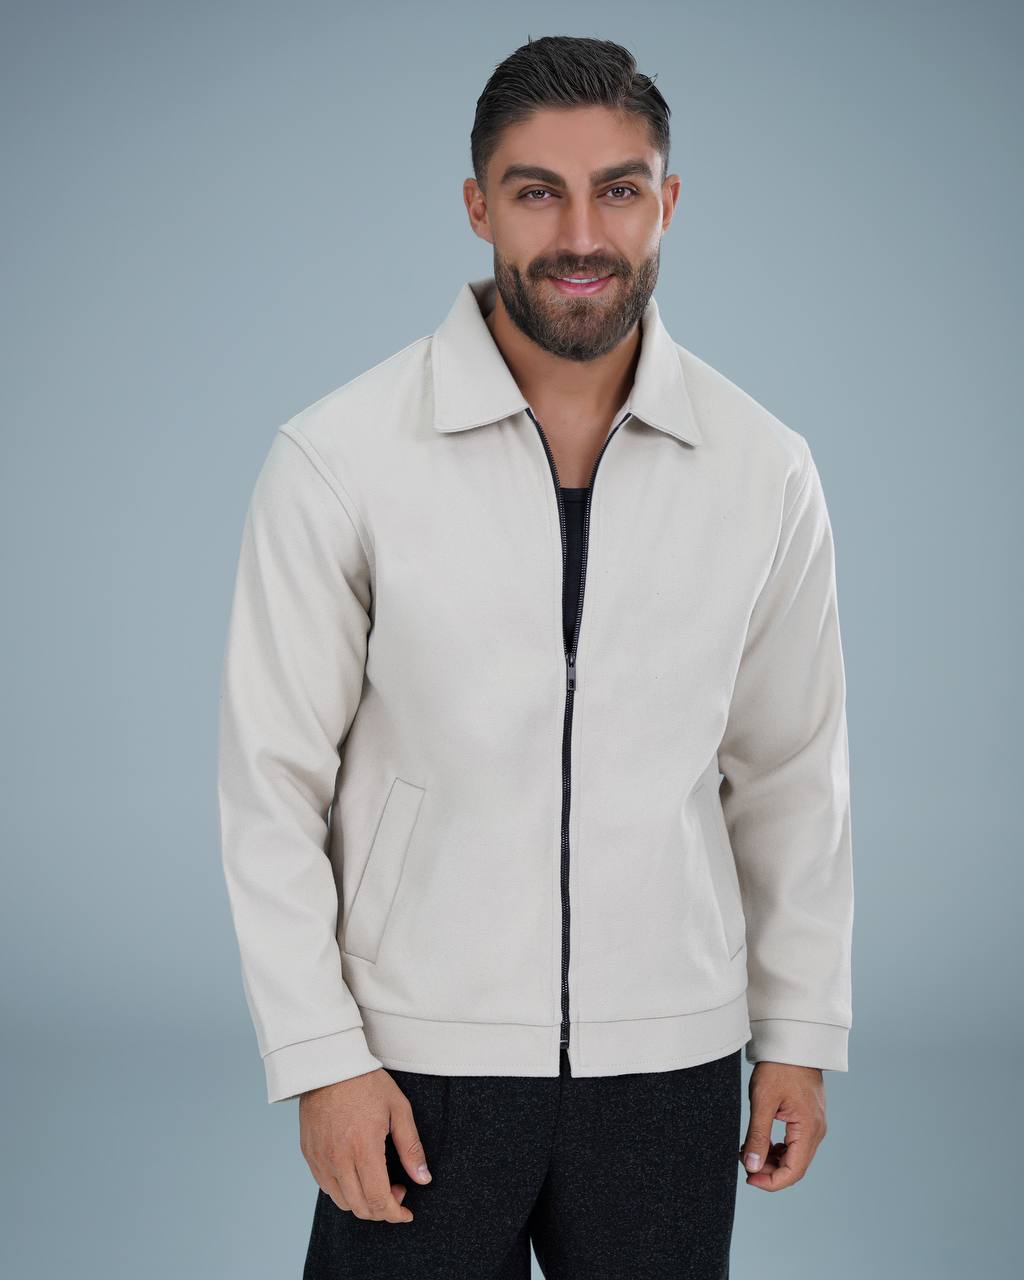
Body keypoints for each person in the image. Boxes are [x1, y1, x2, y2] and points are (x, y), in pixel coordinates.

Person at [217, 34, 854, 1279]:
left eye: (617, 189)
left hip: (667, 1062)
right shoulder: (340, 458)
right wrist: (322, 1055)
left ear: (667, 203)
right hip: (417, 1058)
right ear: (477, 207)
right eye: (535, 191)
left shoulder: (762, 468)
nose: (580, 233)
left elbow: (791, 770)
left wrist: (796, 1029)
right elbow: (269, 783)